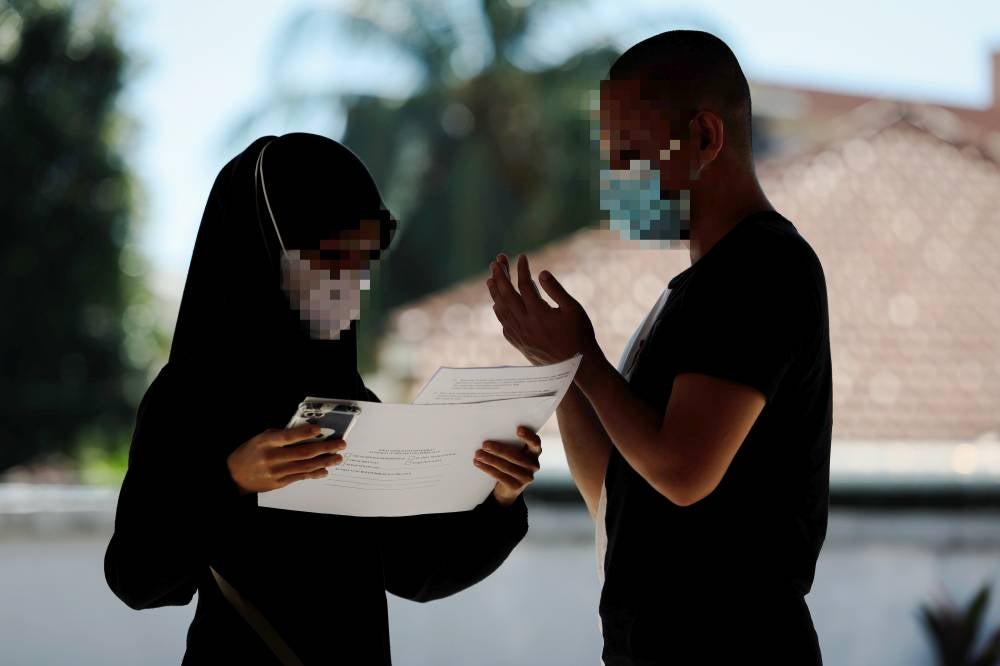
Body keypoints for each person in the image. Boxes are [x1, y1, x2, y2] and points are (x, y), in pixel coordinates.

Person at [105, 133, 543, 665]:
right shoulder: (190, 398)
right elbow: (136, 578)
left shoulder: (350, 399)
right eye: (332, 257)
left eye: (363, 262)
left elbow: (415, 568)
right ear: (263, 250)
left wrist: (500, 495)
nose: (350, 282)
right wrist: (232, 480)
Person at [486, 30, 832, 664]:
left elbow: (681, 472)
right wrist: (562, 369)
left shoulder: (763, 268)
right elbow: (613, 494)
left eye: (630, 154)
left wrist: (586, 360)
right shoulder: (689, 294)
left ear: (704, 136)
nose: (615, 180)